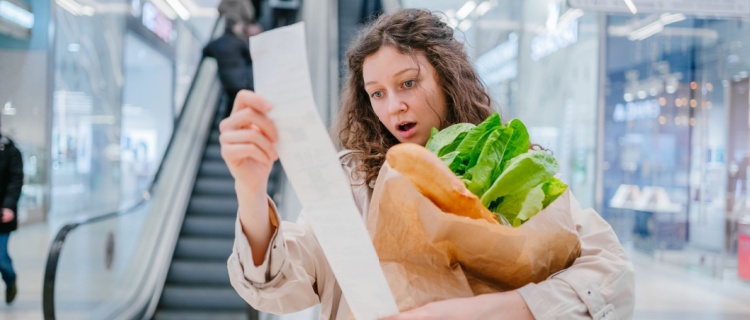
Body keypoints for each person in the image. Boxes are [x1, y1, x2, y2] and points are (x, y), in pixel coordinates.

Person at [221, 8, 635, 319]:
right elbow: (282, 283)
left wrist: (500, 309)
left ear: (447, 76)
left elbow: (611, 276)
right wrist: (250, 190)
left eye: (408, 83)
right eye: (377, 93)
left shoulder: (512, 165)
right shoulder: (353, 178)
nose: (394, 105)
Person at [203, 18, 262, 119]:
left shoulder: (217, 42)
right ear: (234, 27)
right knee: (242, 102)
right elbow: (251, 56)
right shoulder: (238, 42)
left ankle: (227, 123)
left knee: (231, 102)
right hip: (240, 80)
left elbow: (205, 51)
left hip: (226, 81)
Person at [0, 129, 22, 305]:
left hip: (2, 215)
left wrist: (8, 206)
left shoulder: (10, 151)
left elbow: (15, 181)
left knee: (0, 258)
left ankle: (10, 279)